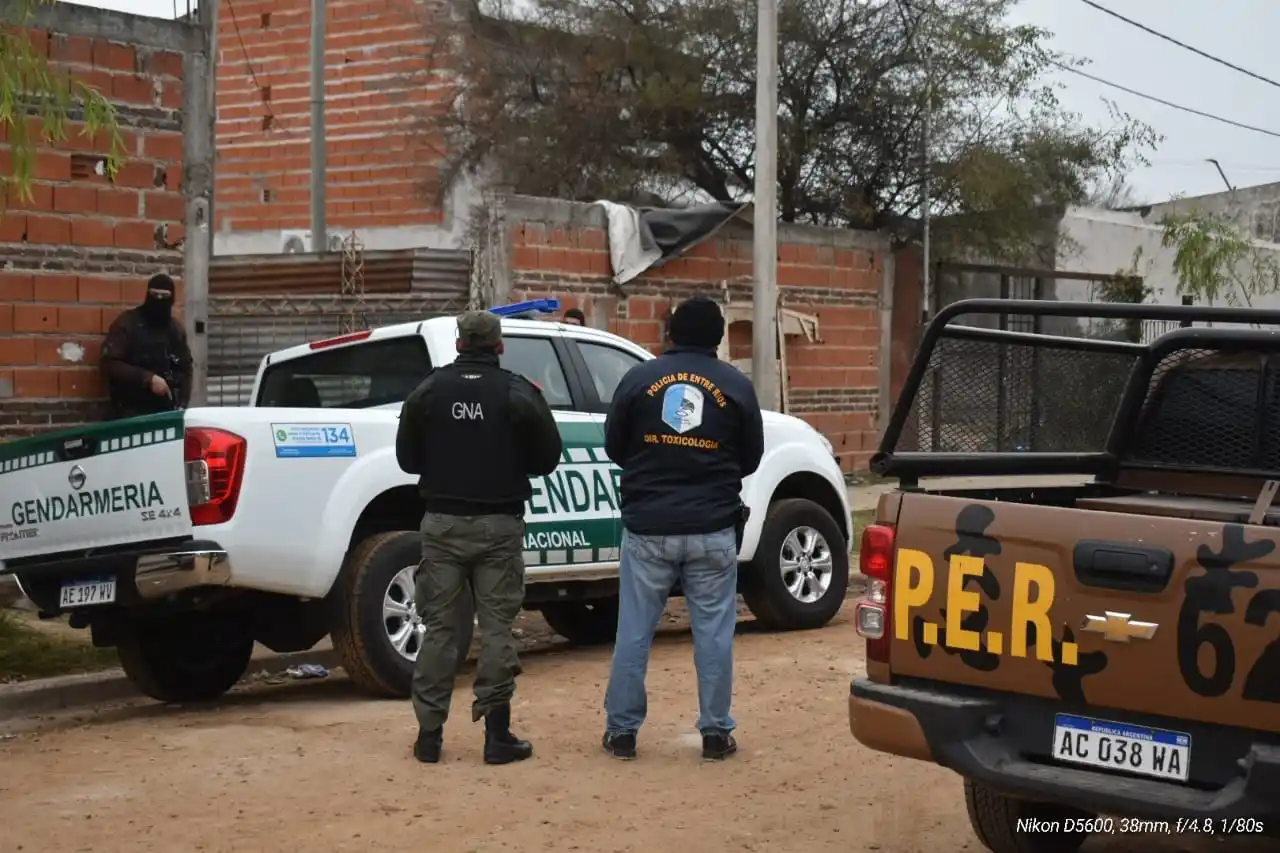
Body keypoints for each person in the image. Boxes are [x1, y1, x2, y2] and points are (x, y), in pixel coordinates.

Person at [395, 309, 564, 765]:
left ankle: (429, 736)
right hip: (498, 526)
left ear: (458, 344)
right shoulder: (517, 391)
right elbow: (548, 458)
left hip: (442, 524)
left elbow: (407, 459)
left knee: (439, 630)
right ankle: (496, 735)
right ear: (499, 346)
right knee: (496, 630)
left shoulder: (429, 390)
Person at [600, 295, 764, 762]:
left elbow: (614, 446)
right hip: (713, 526)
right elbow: (750, 456)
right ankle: (715, 732)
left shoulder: (639, 379)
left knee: (634, 630)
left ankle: (622, 732)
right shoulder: (735, 385)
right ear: (719, 336)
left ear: (670, 332)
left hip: (648, 527)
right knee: (714, 633)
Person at [100, 273, 193, 420]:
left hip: (166, 412)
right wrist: (147, 379)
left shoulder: (175, 330)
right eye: (154, 295)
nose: (159, 300)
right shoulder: (128, 323)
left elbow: (185, 368)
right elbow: (109, 363)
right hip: (130, 411)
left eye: (164, 296)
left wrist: (182, 404)